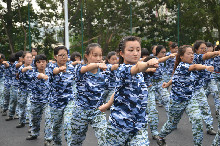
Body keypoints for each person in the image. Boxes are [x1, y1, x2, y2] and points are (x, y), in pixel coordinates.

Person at [100, 36, 158, 145]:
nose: (135, 53)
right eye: (131, 50)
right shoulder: (123, 69)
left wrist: (107, 104)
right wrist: (147, 64)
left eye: (138, 50)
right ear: (121, 53)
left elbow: (118, 90)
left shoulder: (138, 72)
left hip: (138, 126)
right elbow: (138, 67)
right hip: (119, 127)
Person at [156, 45, 214, 146]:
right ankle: (160, 136)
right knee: (172, 124)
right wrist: (206, 67)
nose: (191, 56)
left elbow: (175, 77)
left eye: (192, 53)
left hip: (190, 99)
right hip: (177, 101)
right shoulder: (183, 66)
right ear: (181, 57)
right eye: (188, 54)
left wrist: (167, 84)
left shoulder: (188, 68)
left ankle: (198, 144)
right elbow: (195, 67)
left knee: (197, 119)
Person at [64, 43, 114, 146]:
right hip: (80, 111)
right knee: (75, 142)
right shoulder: (80, 69)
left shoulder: (105, 72)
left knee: (105, 139)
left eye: (100, 55)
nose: (98, 58)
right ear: (86, 56)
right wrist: (97, 65)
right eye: (95, 55)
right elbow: (84, 69)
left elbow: (115, 89)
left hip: (98, 111)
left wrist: (108, 104)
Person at [49, 46, 76, 146]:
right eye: (61, 55)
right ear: (55, 57)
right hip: (55, 102)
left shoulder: (71, 67)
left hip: (69, 101)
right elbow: (54, 71)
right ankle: (57, 143)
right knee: (56, 127)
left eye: (65, 55)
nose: (63, 57)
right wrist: (60, 70)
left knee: (68, 123)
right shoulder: (51, 67)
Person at [193, 40, 220, 135]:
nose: (204, 50)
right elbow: (205, 56)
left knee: (205, 106)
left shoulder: (208, 56)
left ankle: (209, 127)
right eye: (202, 48)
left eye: (205, 48)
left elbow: (209, 55)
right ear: (196, 50)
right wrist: (217, 52)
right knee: (179, 111)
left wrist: (215, 53)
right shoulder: (195, 57)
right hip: (189, 89)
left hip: (202, 84)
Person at [25, 54, 53, 146]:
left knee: (49, 118)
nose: (41, 64)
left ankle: (48, 139)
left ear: (46, 62)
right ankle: (34, 133)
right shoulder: (31, 71)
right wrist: (41, 75)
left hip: (48, 101)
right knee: (35, 120)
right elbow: (37, 75)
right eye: (39, 62)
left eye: (43, 62)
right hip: (35, 100)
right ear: (35, 64)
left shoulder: (50, 71)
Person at [16, 51, 33, 128]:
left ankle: (31, 126)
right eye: (27, 57)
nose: (29, 59)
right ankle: (21, 121)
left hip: (32, 90)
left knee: (30, 107)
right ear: (23, 59)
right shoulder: (21, 68)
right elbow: (22, 71)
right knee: (22, 107)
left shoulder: (34, 67)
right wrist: (27, 68)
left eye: (31, 57)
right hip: (22, 90)